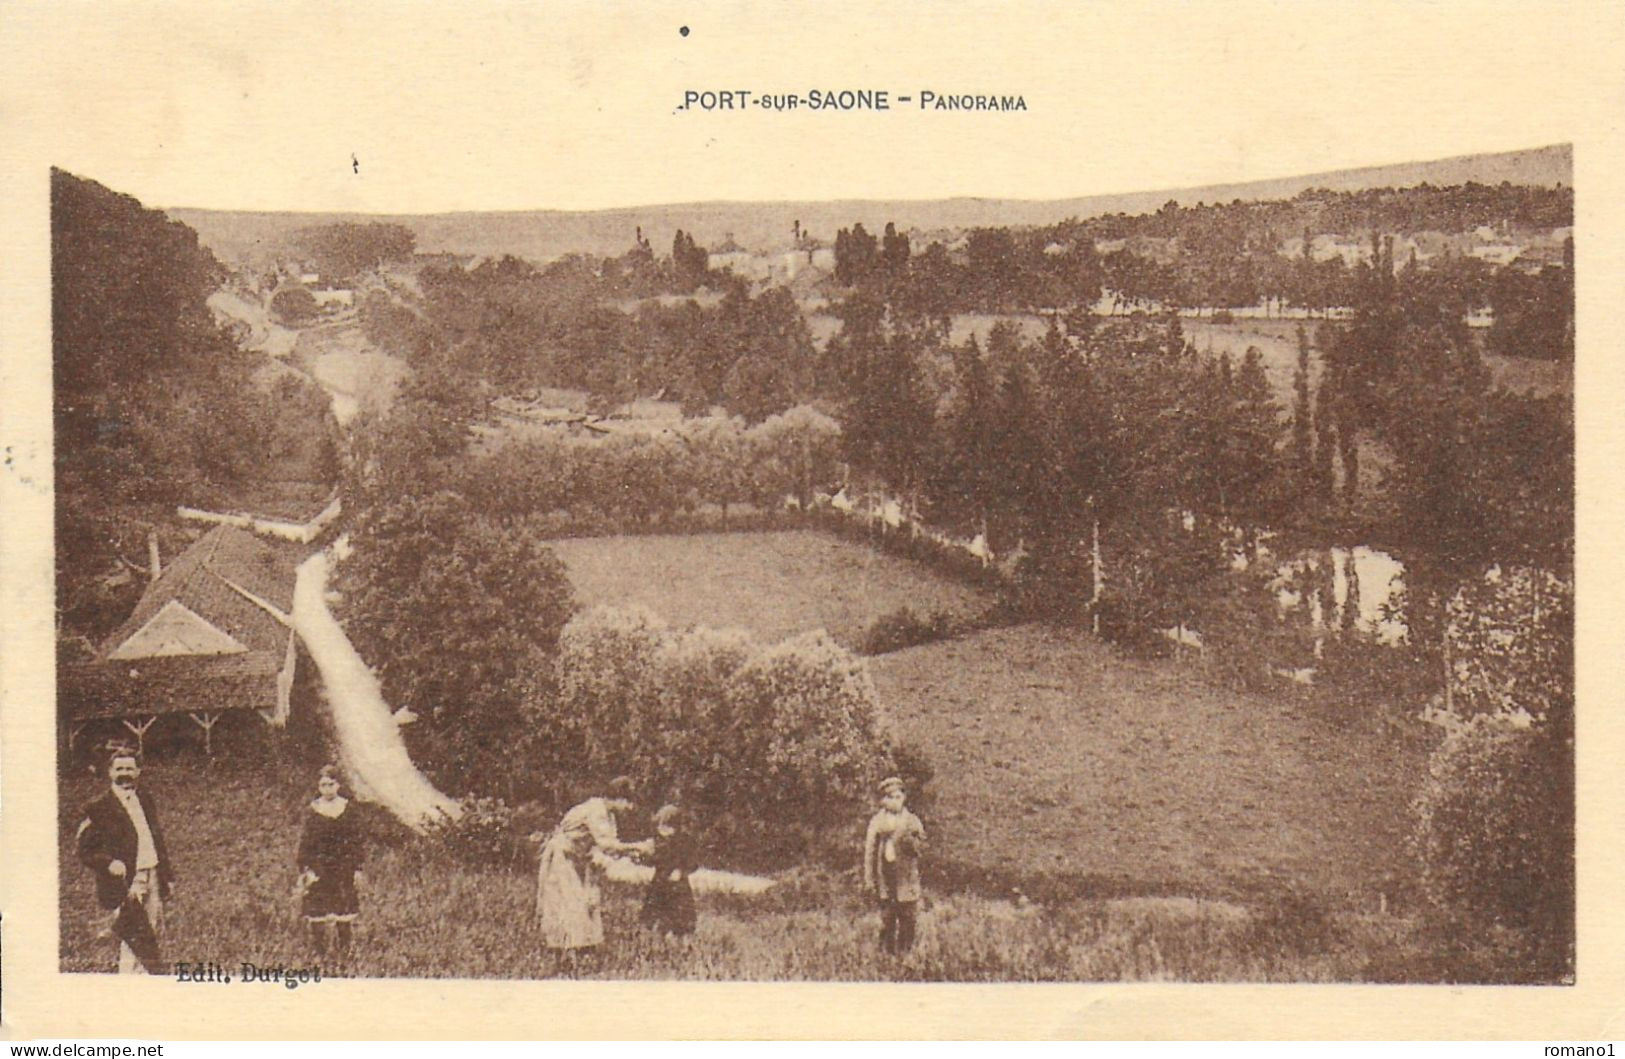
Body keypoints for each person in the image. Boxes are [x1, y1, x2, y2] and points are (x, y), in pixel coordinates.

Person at [75, 746, 176, 974]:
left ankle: (143, 977)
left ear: (138, 771)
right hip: (126, 880)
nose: (124, 773)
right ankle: (130, 980)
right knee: (134, 933)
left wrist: (167, 876)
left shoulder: (145, 799)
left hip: (152, 873)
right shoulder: (98, 807)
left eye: (130, 768)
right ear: (110, 772)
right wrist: (108, 863)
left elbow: (156, 839)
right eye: (119, 768)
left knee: (150, 929)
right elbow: (84, 849)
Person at [534, 776, 652, 959]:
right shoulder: (596, 810)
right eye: (628, 802)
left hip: (579, 857)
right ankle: (566, 953)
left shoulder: (608, 815)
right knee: (570, 903)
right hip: (563, 857)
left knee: (588, 902)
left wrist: (630, 853)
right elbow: (606, 844)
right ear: (619, 798)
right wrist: (637, 846)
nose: (629, 808)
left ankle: (583, 950)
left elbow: (608, 846)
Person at [295, 764, 364, 959]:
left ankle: (345, 951)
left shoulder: (347, 809)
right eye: (323, 785)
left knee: (344, 909)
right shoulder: (314, 810)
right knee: (318, 910)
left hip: (343, 866)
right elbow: (306, 841)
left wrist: (357, 867)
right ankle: (320, 953)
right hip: (320, 866)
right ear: (318, 786)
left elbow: (355, 840)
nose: (327, 789)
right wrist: (306, 868)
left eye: (331, 784)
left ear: (338, 785)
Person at [862, 775, 926, 956]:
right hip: (885, 876)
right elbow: (870, 852)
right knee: (887, 918)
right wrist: (869, 879)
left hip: (906, 877)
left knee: (908, 918)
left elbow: (921, 848)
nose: (895, 801)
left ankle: (906, 953)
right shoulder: (877, 822)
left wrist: (911, 841)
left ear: (904, 798)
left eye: (898, 797)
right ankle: (886, 954)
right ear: (883, 800)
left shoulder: (912, 821)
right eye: (890, 797)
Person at [640, 804, 698, 937]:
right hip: (660, 880)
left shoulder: (685, 841)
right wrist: (644, 856)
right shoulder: (660, 841)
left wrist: (681, 870)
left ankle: (678, 934)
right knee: (655, 908)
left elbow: (692, 862)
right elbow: (654, 859)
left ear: (675, 826)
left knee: (679, 912)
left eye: (667, 827)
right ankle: (658, 931)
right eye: (660, 827)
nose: (663, 831)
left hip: (678, 884)